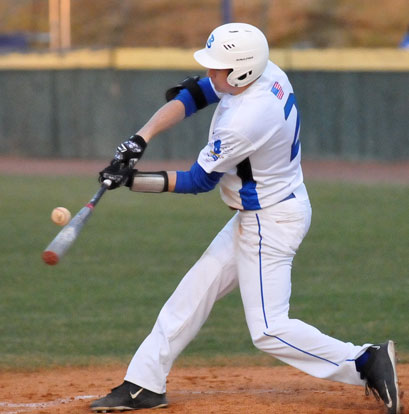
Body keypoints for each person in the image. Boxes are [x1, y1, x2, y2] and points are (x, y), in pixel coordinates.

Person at [91, 23, 401, 413]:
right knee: (192, 294)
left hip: (269, 222)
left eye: (218, 67)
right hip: (267, 211)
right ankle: (144, 384)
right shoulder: (265, 71)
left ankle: (365, 361)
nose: (210, 72)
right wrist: (140, 139)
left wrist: (132, 181)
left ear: (240, 71)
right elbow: (198, 92)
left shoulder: (245, 120)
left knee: (269, 329)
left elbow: (198, 181)